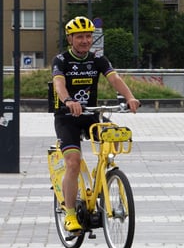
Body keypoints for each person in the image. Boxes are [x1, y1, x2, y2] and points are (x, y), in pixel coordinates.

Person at [52, 16, 142, 231]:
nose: (85, 40)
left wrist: (130, 97)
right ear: (70, 39)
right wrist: (68, 101)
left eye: (88, 36)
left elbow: (114, 79)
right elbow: (58, 84)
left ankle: (103, 175)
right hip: (67, 117)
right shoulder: (61, 60)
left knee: (117, 136)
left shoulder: (98, 59)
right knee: (73, 162)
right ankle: (71, 214)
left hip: (91, 115)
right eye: (80, 36)